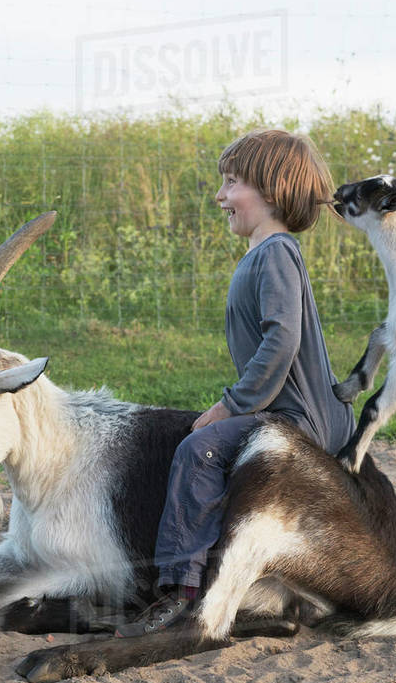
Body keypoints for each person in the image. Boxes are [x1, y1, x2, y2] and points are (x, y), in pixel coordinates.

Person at [116, 129, 354, 637]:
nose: (219, 196)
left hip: (297, 419)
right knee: (207, 446)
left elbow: (281, 339)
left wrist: (232, 405)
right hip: (289, 410)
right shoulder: (265, 254)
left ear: (271, 191)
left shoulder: (276, 253)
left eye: (231, 183)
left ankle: (180, 590)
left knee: (200, 448)